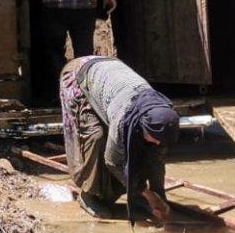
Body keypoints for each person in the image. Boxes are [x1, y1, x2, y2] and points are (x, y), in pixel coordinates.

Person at [59, 56, 179, 223]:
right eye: (156, 138)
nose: (159, 143)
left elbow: (156, 159)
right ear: (142, 125)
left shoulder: (160, 115)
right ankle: (89, 195)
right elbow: (113, 161)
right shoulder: (125, 116)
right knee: (96, 136)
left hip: (107, 74)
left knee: (147, 148)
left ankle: (135, 195)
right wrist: (146, 193)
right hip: (79, 74)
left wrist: (159, 196)